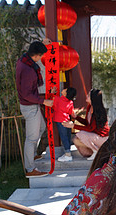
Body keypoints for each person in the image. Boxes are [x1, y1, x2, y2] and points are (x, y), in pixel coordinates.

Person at [16, 41, 54, 178]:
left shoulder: (24, 59)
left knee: (41, 128)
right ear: (37, 56)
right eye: (41, 55)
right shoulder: (28, 70)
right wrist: (44, 101)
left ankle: (31, 156)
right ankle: (30, 169)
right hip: (29, 106)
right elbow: (27, 94)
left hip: (31, 105)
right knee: (31, 139)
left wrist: (42, 43)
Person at [63, 89, 109, 161]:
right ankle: (93, 152)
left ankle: (96, 152)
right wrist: (76, 117)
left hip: (102, 138)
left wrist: (73, 126)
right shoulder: (89, 107)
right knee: (76, 139)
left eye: (88, 95)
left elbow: (90, 128)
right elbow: (87, 123)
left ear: (93, 98)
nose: (86, 96)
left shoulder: (99, 111)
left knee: (81, 134)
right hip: (95, 136)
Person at [54, 87, 77, 162]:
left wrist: (52, 93)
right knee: (67, 137)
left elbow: (51, 101)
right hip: (67, 121)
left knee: (64, 137)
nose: (63, 89)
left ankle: (68, 155)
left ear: (66, 93)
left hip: (60, 121)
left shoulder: (58, 99)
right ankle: (68, 152)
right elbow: (71, 112)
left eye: (65, 89)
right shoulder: (70, 102)